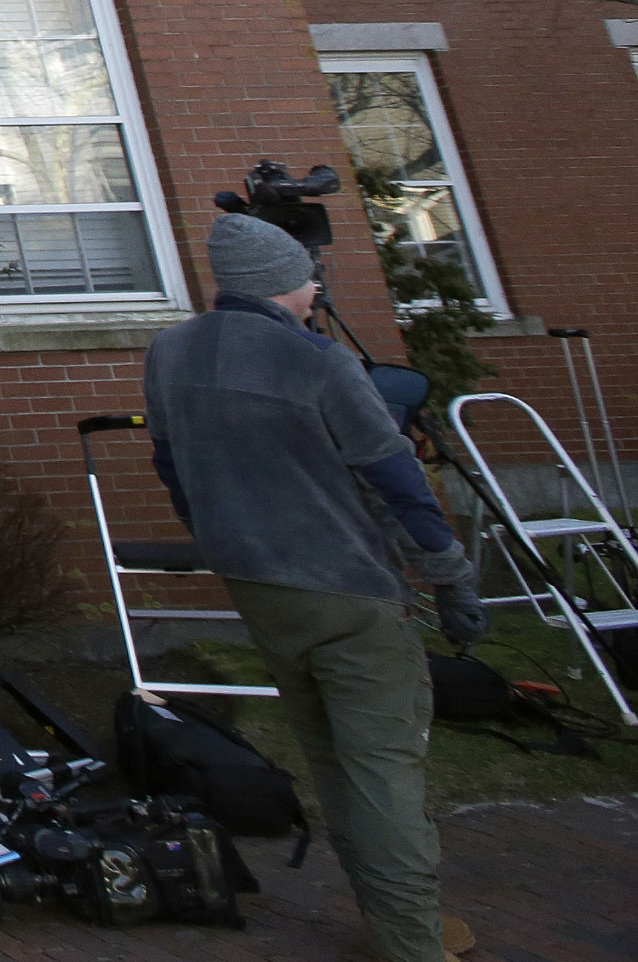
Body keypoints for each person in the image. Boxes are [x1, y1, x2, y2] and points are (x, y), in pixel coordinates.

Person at [145, 211, 485, 962]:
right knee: (382, 766)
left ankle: (391, 919)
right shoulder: (320, 362)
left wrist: (216, 535)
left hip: (256, 584)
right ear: (279, 285)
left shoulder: (170, 352)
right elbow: (395, 475)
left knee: (331, 754)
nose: (316, 287)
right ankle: (413, 941)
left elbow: (172, 466)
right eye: (307, 276)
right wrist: (450, 576)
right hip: (347, 591)